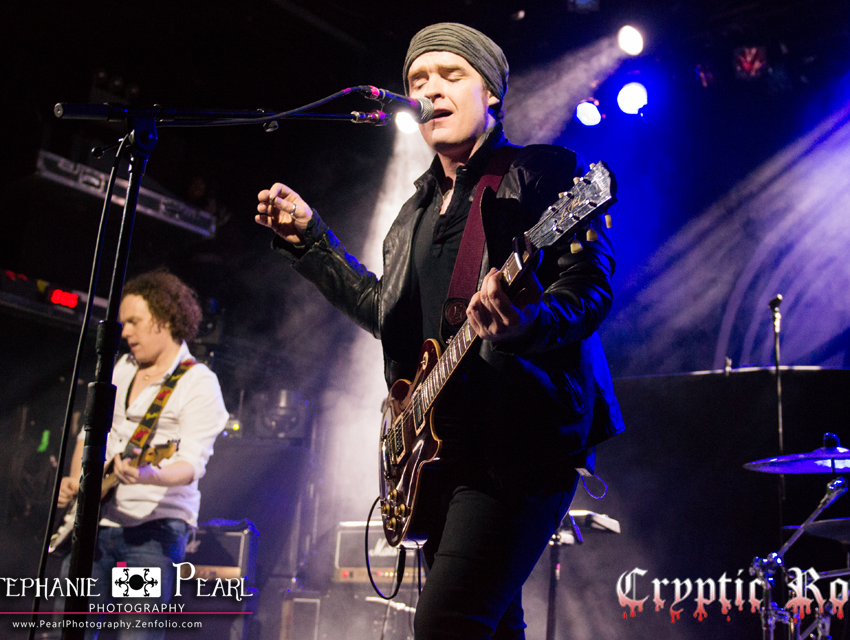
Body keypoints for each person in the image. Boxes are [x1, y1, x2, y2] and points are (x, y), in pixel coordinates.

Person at [256, 22, 624, 640]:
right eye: (417, 79)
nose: (430, 89)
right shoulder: (411, 216)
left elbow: (589, 287)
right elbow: (388, 316)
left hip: (518, 446)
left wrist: (526, 322)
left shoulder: (540, 173)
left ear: (492, 93)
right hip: (437, 453)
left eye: (451, 75)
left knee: (447, 625)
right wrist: (313, 244)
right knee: (492, 627)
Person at [58, 270, 228, 639]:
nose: (125, 332)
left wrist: (152, 475)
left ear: (164, 319)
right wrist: (75, 481)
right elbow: (91, 434)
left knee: (136, 634)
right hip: (96, 522)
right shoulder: (121, 369)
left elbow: (190, 464)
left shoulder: (198, 383)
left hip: (152, 532)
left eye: (134, 322)